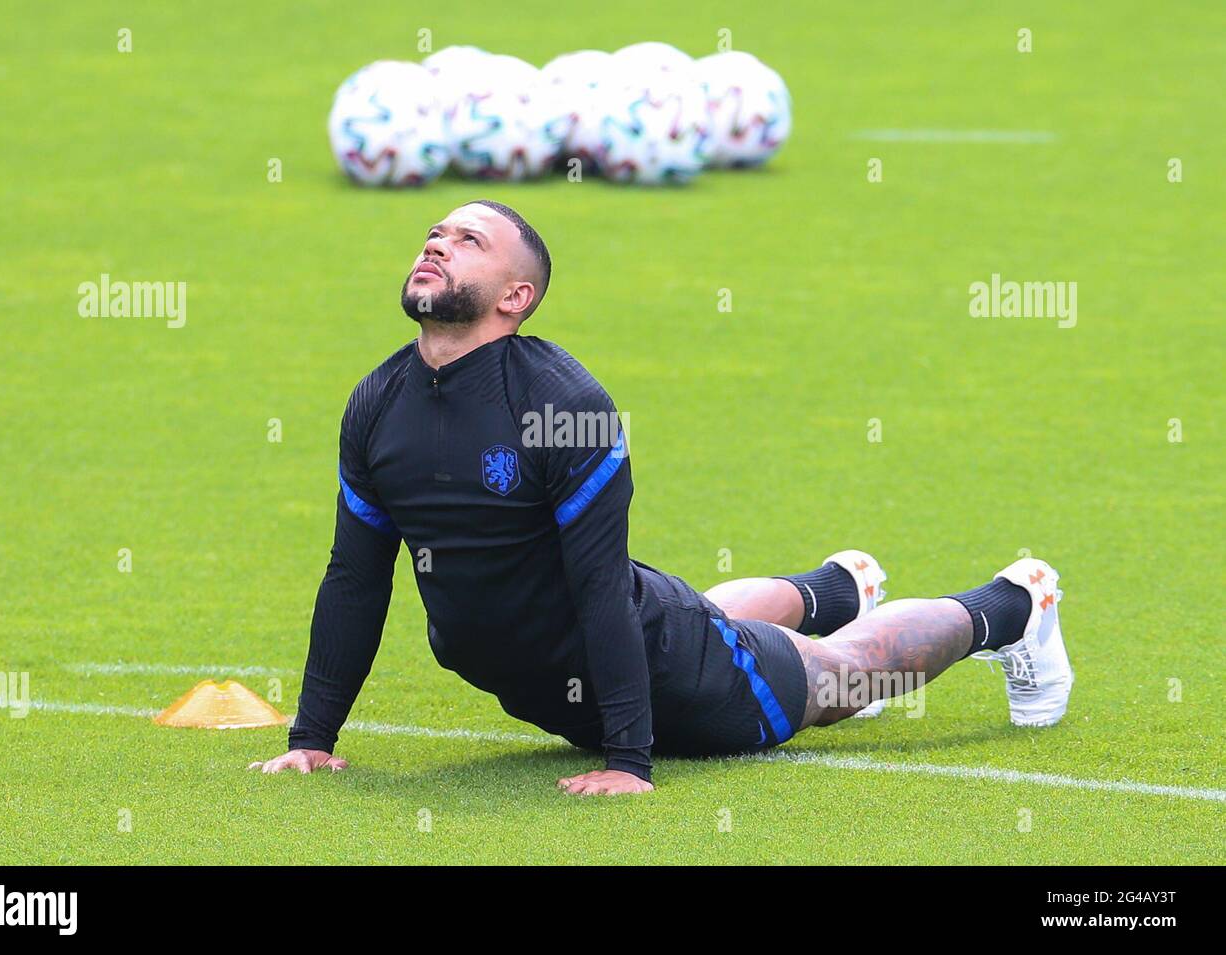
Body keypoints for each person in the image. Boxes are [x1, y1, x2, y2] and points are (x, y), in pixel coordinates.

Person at [250, 200, 1074, 795]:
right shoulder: (378, 400)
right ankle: (832, 589)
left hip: (674, 674)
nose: (437, 244)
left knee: (838, 677)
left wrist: (627, 759)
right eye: (435, 233)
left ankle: (1011, 606)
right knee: (703, 615)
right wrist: (312, 740)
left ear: (515, 298)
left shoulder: (560, 405)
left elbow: (601, 588)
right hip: (559, 671)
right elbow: (356, 576)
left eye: (469, 240)